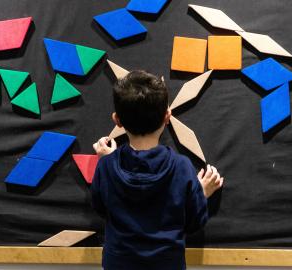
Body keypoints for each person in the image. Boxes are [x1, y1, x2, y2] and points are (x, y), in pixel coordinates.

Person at [91, 70, 224, 270]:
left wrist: (106, 161)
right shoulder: (182, 167)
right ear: (167, 116)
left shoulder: (106, 166)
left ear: (117, 120)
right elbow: (193, 222)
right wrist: (201, 193)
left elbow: (101, 207)